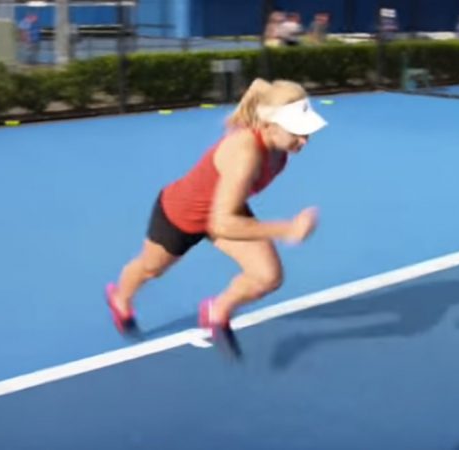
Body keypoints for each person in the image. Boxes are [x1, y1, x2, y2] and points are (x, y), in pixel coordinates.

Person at [105, 78, 327, 356]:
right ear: (270, 125)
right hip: (182, 214)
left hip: (226, 207)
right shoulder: (246, 153)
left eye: (307, 132)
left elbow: (259, 85)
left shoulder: (277, 144)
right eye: (297, 132)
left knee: (267, 276)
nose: (304, 140)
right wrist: (288, 229)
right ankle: (120, 297)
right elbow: (222, 224)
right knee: (151, 269)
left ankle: (217, 310)